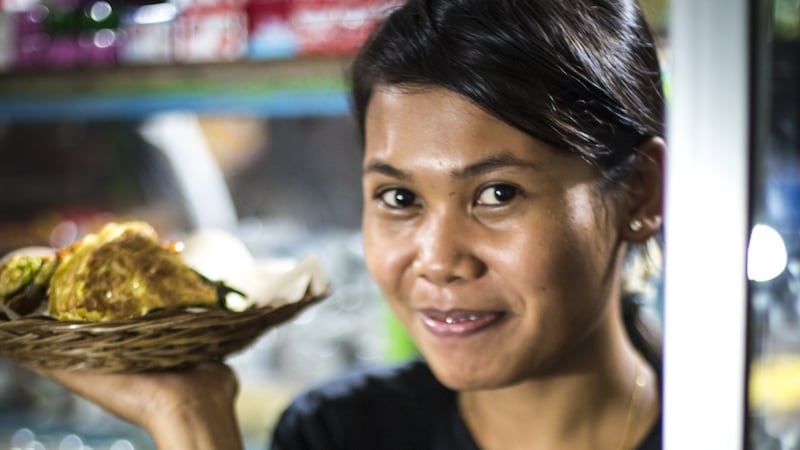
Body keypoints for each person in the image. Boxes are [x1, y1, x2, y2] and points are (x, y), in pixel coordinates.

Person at [43, 0, 667, 448]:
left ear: (639, 191)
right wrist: (188, 414)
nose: (437, 258)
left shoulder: (723, 427)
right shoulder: (339, 435)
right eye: (398, 198)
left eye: (496, 193)